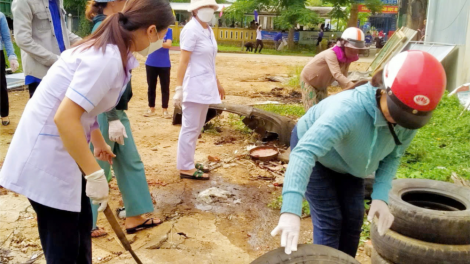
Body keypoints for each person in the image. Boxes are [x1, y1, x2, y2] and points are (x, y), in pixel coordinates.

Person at [0, 0, 174, 262]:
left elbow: (86, 108)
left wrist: (98, 140)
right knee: (64, 247)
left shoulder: (115, 52)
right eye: (162, 34)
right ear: (151, 31)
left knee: (79, 235)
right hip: (46, 157)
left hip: (63, 151)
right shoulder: (105, 59)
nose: (162, 40)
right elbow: (65, 118)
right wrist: (94, 173)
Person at [271, 50, 447, 257]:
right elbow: (304, 153)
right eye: (395, 112)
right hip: (316, 154)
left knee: (354, 218)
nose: (398, 122)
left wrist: (381, 196)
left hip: (351, 160)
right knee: (330, 220)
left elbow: (393, 156)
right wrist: (290, 210)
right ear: (384, 89)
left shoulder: (408, 118)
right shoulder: (348, 110)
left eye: (406, 118)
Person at [85, 0, 160, 238]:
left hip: (117, 111)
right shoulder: (104, 27)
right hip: (108, 113)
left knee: (130, 162)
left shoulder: (113, 24)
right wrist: (113, 116)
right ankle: (88, 221)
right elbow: (101, 82)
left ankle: (135, 215)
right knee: (99, 166)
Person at [174, 0, 225, 180]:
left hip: (206, 85)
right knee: (190, 128)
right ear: (194, 10)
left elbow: (209, 61)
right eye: (205, 7)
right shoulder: (190, 30)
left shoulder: (208, 30)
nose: (209, 11)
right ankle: (185, 167)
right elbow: (183, 61)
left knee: (197, 128)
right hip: (194, 86)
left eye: (211, 7)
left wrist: (217, 82)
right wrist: (178, 87)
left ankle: (188, 160)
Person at [12, 0, 81, 98]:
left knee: (62, 112)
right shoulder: (23, 2)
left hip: (61, 70)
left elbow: (63, 32)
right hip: (40, 75)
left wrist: (89, 43)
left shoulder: (57, 1)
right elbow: (23, 39)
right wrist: (55, 60)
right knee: (43, 112)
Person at [299, 27, 367, 111]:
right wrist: (353, 86)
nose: (354, 53)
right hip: (309, 81)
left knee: (322, 109)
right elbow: (337, 74)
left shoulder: (347, 59)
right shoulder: (331, 54)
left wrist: (349, 91)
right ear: (343, 45)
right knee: (311, 111)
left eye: (357, 51)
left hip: (322, 85)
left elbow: (343, 76)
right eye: (352, 50)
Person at [145, 27, 173, 118]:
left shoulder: (168, 30)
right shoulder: (151, 30)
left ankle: (165, 109)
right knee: (151, 87)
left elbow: (169, 44)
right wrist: (161, 43)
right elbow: (147, 43)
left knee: (165, 88)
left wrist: (156, 42)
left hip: (164, 64)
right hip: (151, 62)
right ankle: (151, 108)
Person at [0, 11, 19, 126]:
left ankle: (4, 114)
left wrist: (12, 56)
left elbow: (7, 38)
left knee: (1, 85)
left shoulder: (0, 16)